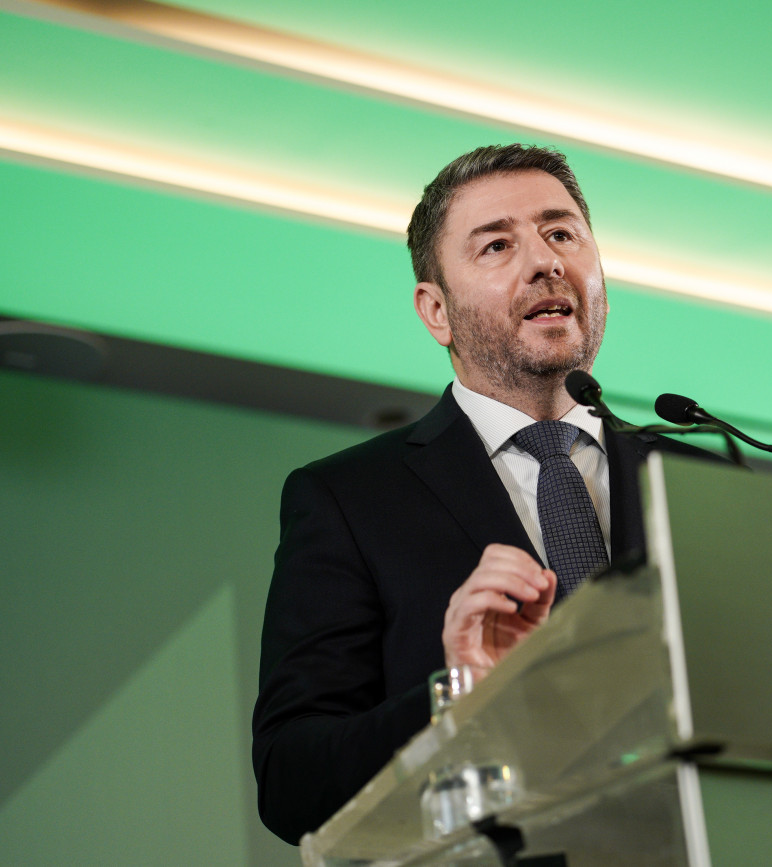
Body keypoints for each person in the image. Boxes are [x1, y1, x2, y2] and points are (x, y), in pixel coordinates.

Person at [251, 144, 719, 845]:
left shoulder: (703, 485)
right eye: (498, 245)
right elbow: (292, 783)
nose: (545, 261)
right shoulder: (348, 499)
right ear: (436, 311)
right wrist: (461, 695)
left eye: (561, 233)